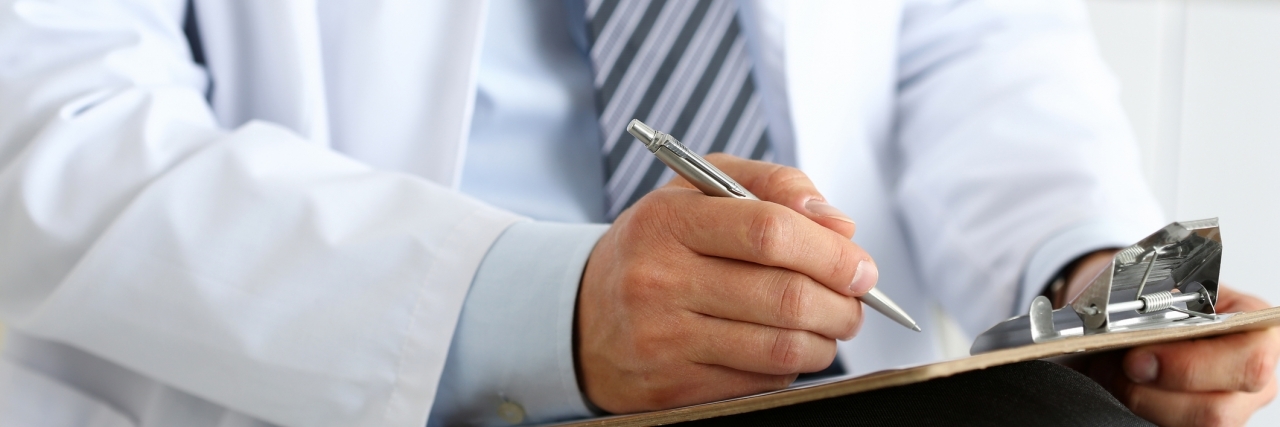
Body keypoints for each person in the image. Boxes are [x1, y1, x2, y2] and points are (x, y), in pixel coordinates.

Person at [0, 1, 1274, 426]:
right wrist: (549, 308)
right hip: (369, 379)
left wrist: (1089, 279)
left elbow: (963, 36)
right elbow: (55, 120)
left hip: (829, 383)